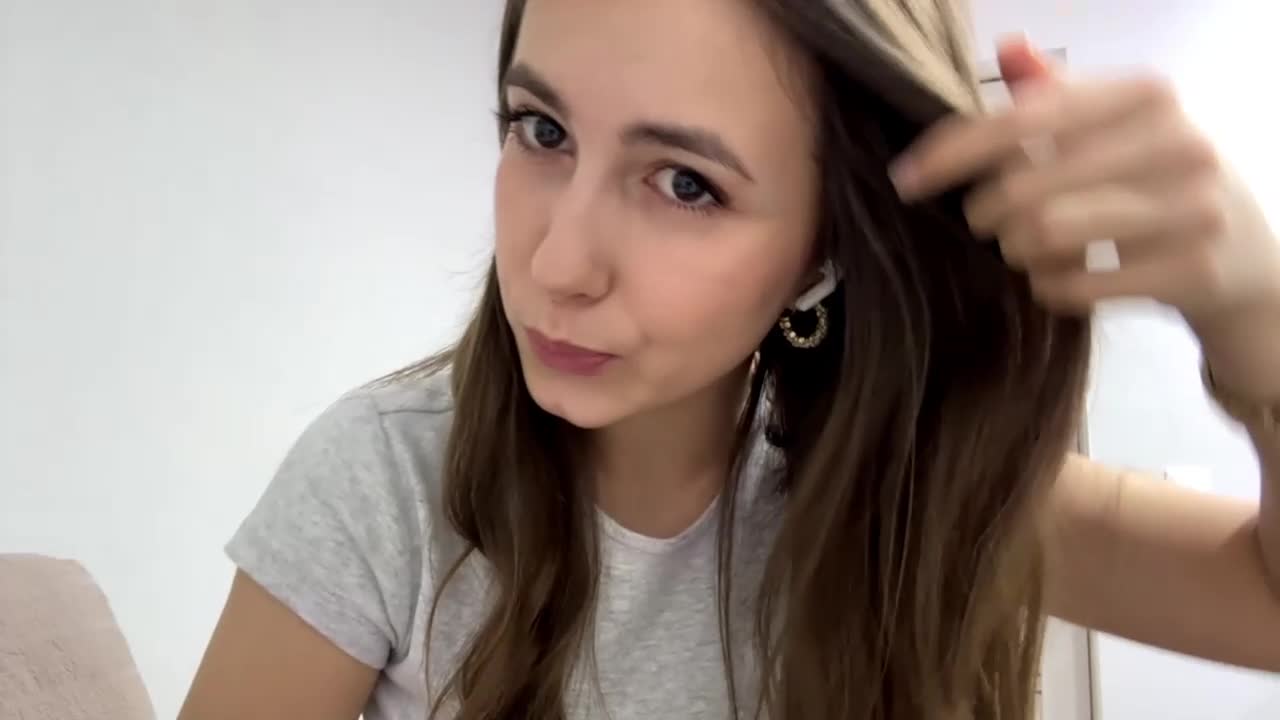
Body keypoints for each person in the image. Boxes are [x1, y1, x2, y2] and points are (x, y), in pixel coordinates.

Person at [178, 1, 1280, 719]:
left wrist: (1258, 321)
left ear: (825, 254)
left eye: (686, 184)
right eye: (541, 130)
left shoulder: (911, 491)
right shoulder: (383, 486)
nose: (557, 264)